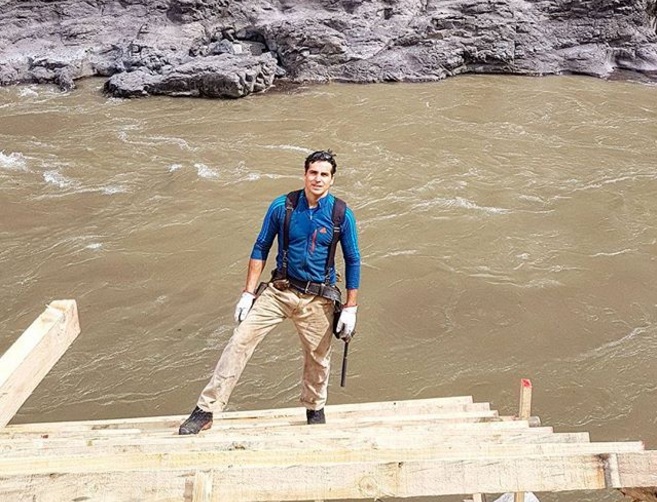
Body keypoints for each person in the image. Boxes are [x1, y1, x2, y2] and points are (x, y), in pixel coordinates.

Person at [179, 150, 361, 434]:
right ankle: (206, 410)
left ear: (332, 180)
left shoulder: (341, 214)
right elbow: (261, 247)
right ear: (304, 175)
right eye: (313, 172)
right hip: (280, 291)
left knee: (318, 359)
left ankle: (314, 411)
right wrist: (248, 293)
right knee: (240, 341)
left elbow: (353, 260)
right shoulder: (283, 206)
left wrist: (350, 308)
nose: (318, 179)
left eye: (324, 174)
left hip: (318, 298)